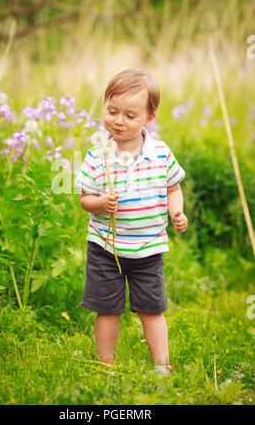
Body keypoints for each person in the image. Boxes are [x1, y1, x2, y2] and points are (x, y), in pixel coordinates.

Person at [74, 69, 188, 375]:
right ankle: (105, 363)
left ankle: (162, 365)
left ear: (149, 119)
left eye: (129, 115)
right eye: (112, 111)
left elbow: (173, 188)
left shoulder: (160, 154)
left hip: (148, 249)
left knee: (152, 309)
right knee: (107, 309)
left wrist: (176, 212)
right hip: (105, 246)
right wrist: (99, 203)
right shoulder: (97, 156)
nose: (118, 121)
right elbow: (85, 198)